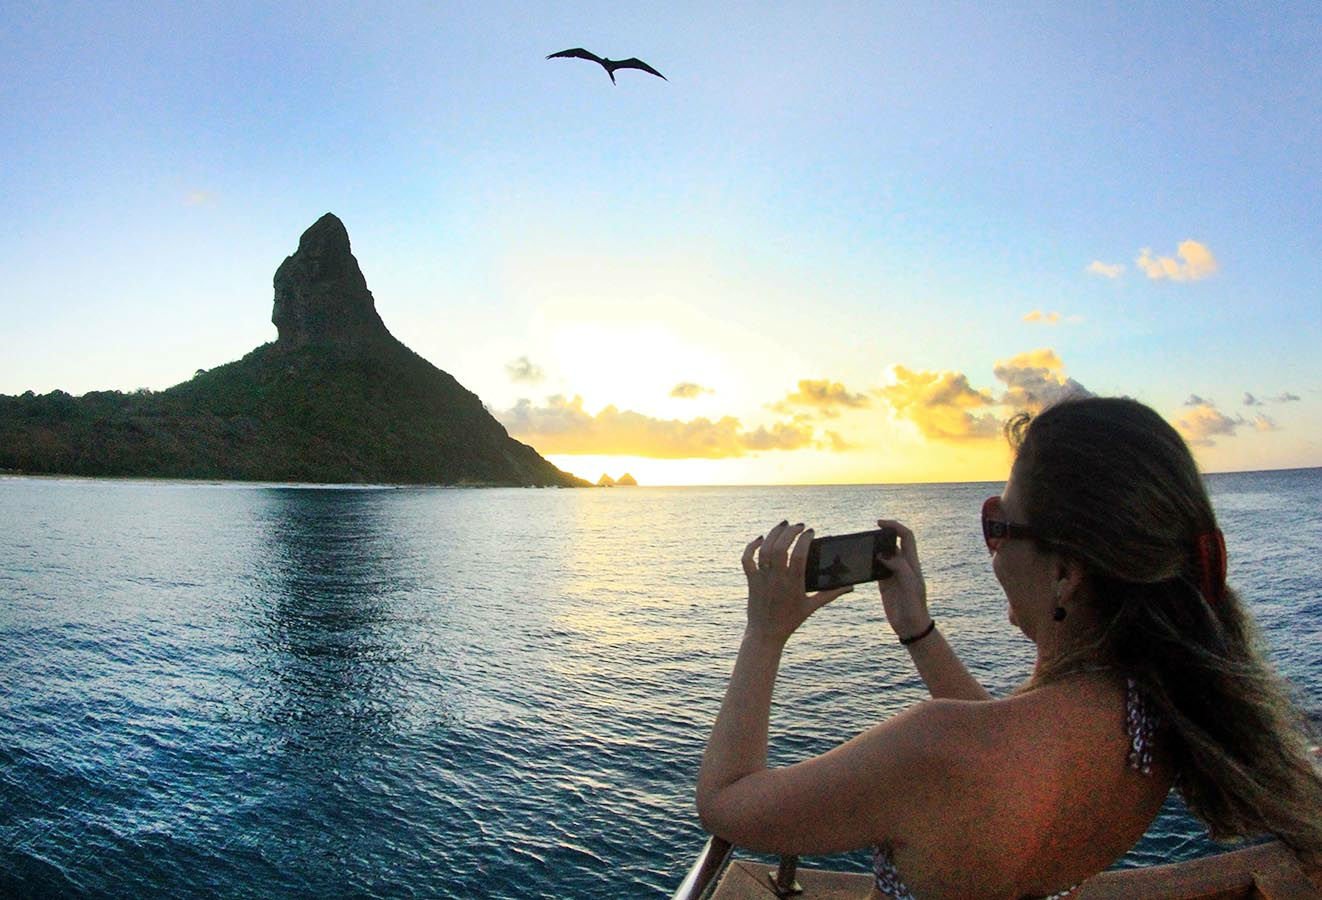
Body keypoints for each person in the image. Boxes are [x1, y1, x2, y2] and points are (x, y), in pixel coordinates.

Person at [695, 396, 1322, 898]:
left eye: (1000, 525)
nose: (991, 551)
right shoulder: (1162, 711)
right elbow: (1000, 742)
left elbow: (726, 803)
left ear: (1066, 573)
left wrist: (765, 632)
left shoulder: (939, 746)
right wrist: (919, 631)